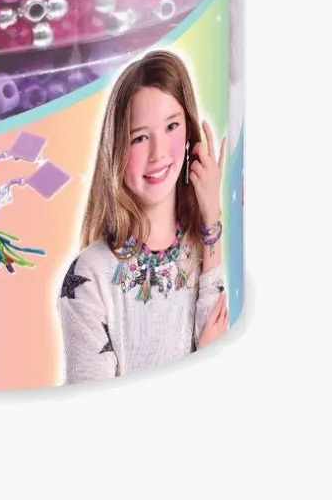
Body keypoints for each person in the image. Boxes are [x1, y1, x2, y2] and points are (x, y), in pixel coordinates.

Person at [59, 50, 227, 382]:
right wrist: (205, 360)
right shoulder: (89, 275)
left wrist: (211, 216)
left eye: (172, 126)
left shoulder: (205, 246)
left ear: (189, 133)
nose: (158, 153)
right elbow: (89, 407)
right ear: (117, 150)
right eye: (139, 138)